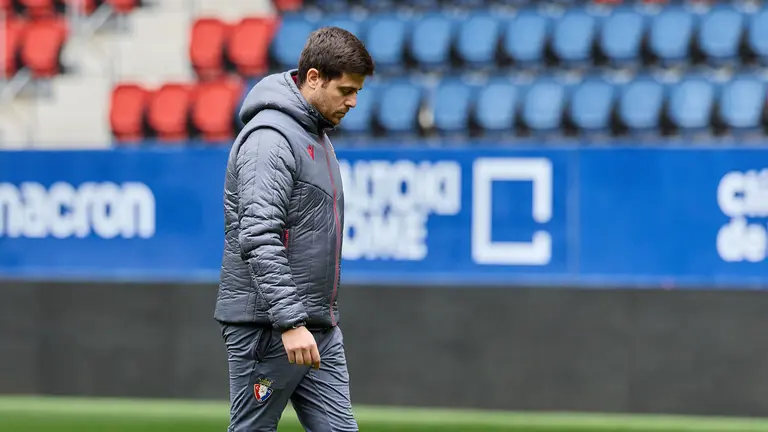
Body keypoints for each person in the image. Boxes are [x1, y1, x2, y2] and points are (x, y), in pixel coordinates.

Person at [214, 26, 375, 432]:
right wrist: (289, 322)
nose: (354, 101)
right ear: (315, 78)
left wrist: (309, 323)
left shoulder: (315, 136)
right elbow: (259, 234)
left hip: (316, 327)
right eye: (346, 91)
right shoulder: (270, 138)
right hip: (270, 329)